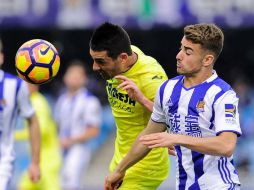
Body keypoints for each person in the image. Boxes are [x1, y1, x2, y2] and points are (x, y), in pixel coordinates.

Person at [105, 23, 242, 190]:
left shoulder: (223, 95)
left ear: (207, 60)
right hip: (184, 185)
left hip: (219, 185)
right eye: (181, 48)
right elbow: (149, 136)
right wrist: (119, 170)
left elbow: (226, 146)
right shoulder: (167, 89)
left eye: (188, 52)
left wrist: (175, 138)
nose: (179, 55)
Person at [89, 22, 169, 189]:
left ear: (123, 58)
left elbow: (172, 117)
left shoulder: (151, 77)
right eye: (93, 60)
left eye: (100, 61)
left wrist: (142, 99)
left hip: (145, 164)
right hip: (121, 160)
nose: (95, 67)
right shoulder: (122, 56)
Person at [55, 60, 102, 190]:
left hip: (79, 148)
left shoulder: (90, 101)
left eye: (77, 76)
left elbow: (94, 130)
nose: (73, 79)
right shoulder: (62, 100)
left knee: (71, 183)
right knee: (58, 183)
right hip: (60, 146)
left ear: (84, 79)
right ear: (65, 77)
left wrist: (71, 140)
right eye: (71, 75)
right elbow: (58, 124)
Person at [0, 38, 40, 189]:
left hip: (2, 161)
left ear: (1, 57)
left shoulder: (16, 86)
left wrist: (35, 162)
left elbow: (33, 120)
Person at [15, 83, 62, 190]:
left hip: (47, 159)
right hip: (38, 158)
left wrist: (14, 135)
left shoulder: (37, 102)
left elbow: (41, 130)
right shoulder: (32, 101)